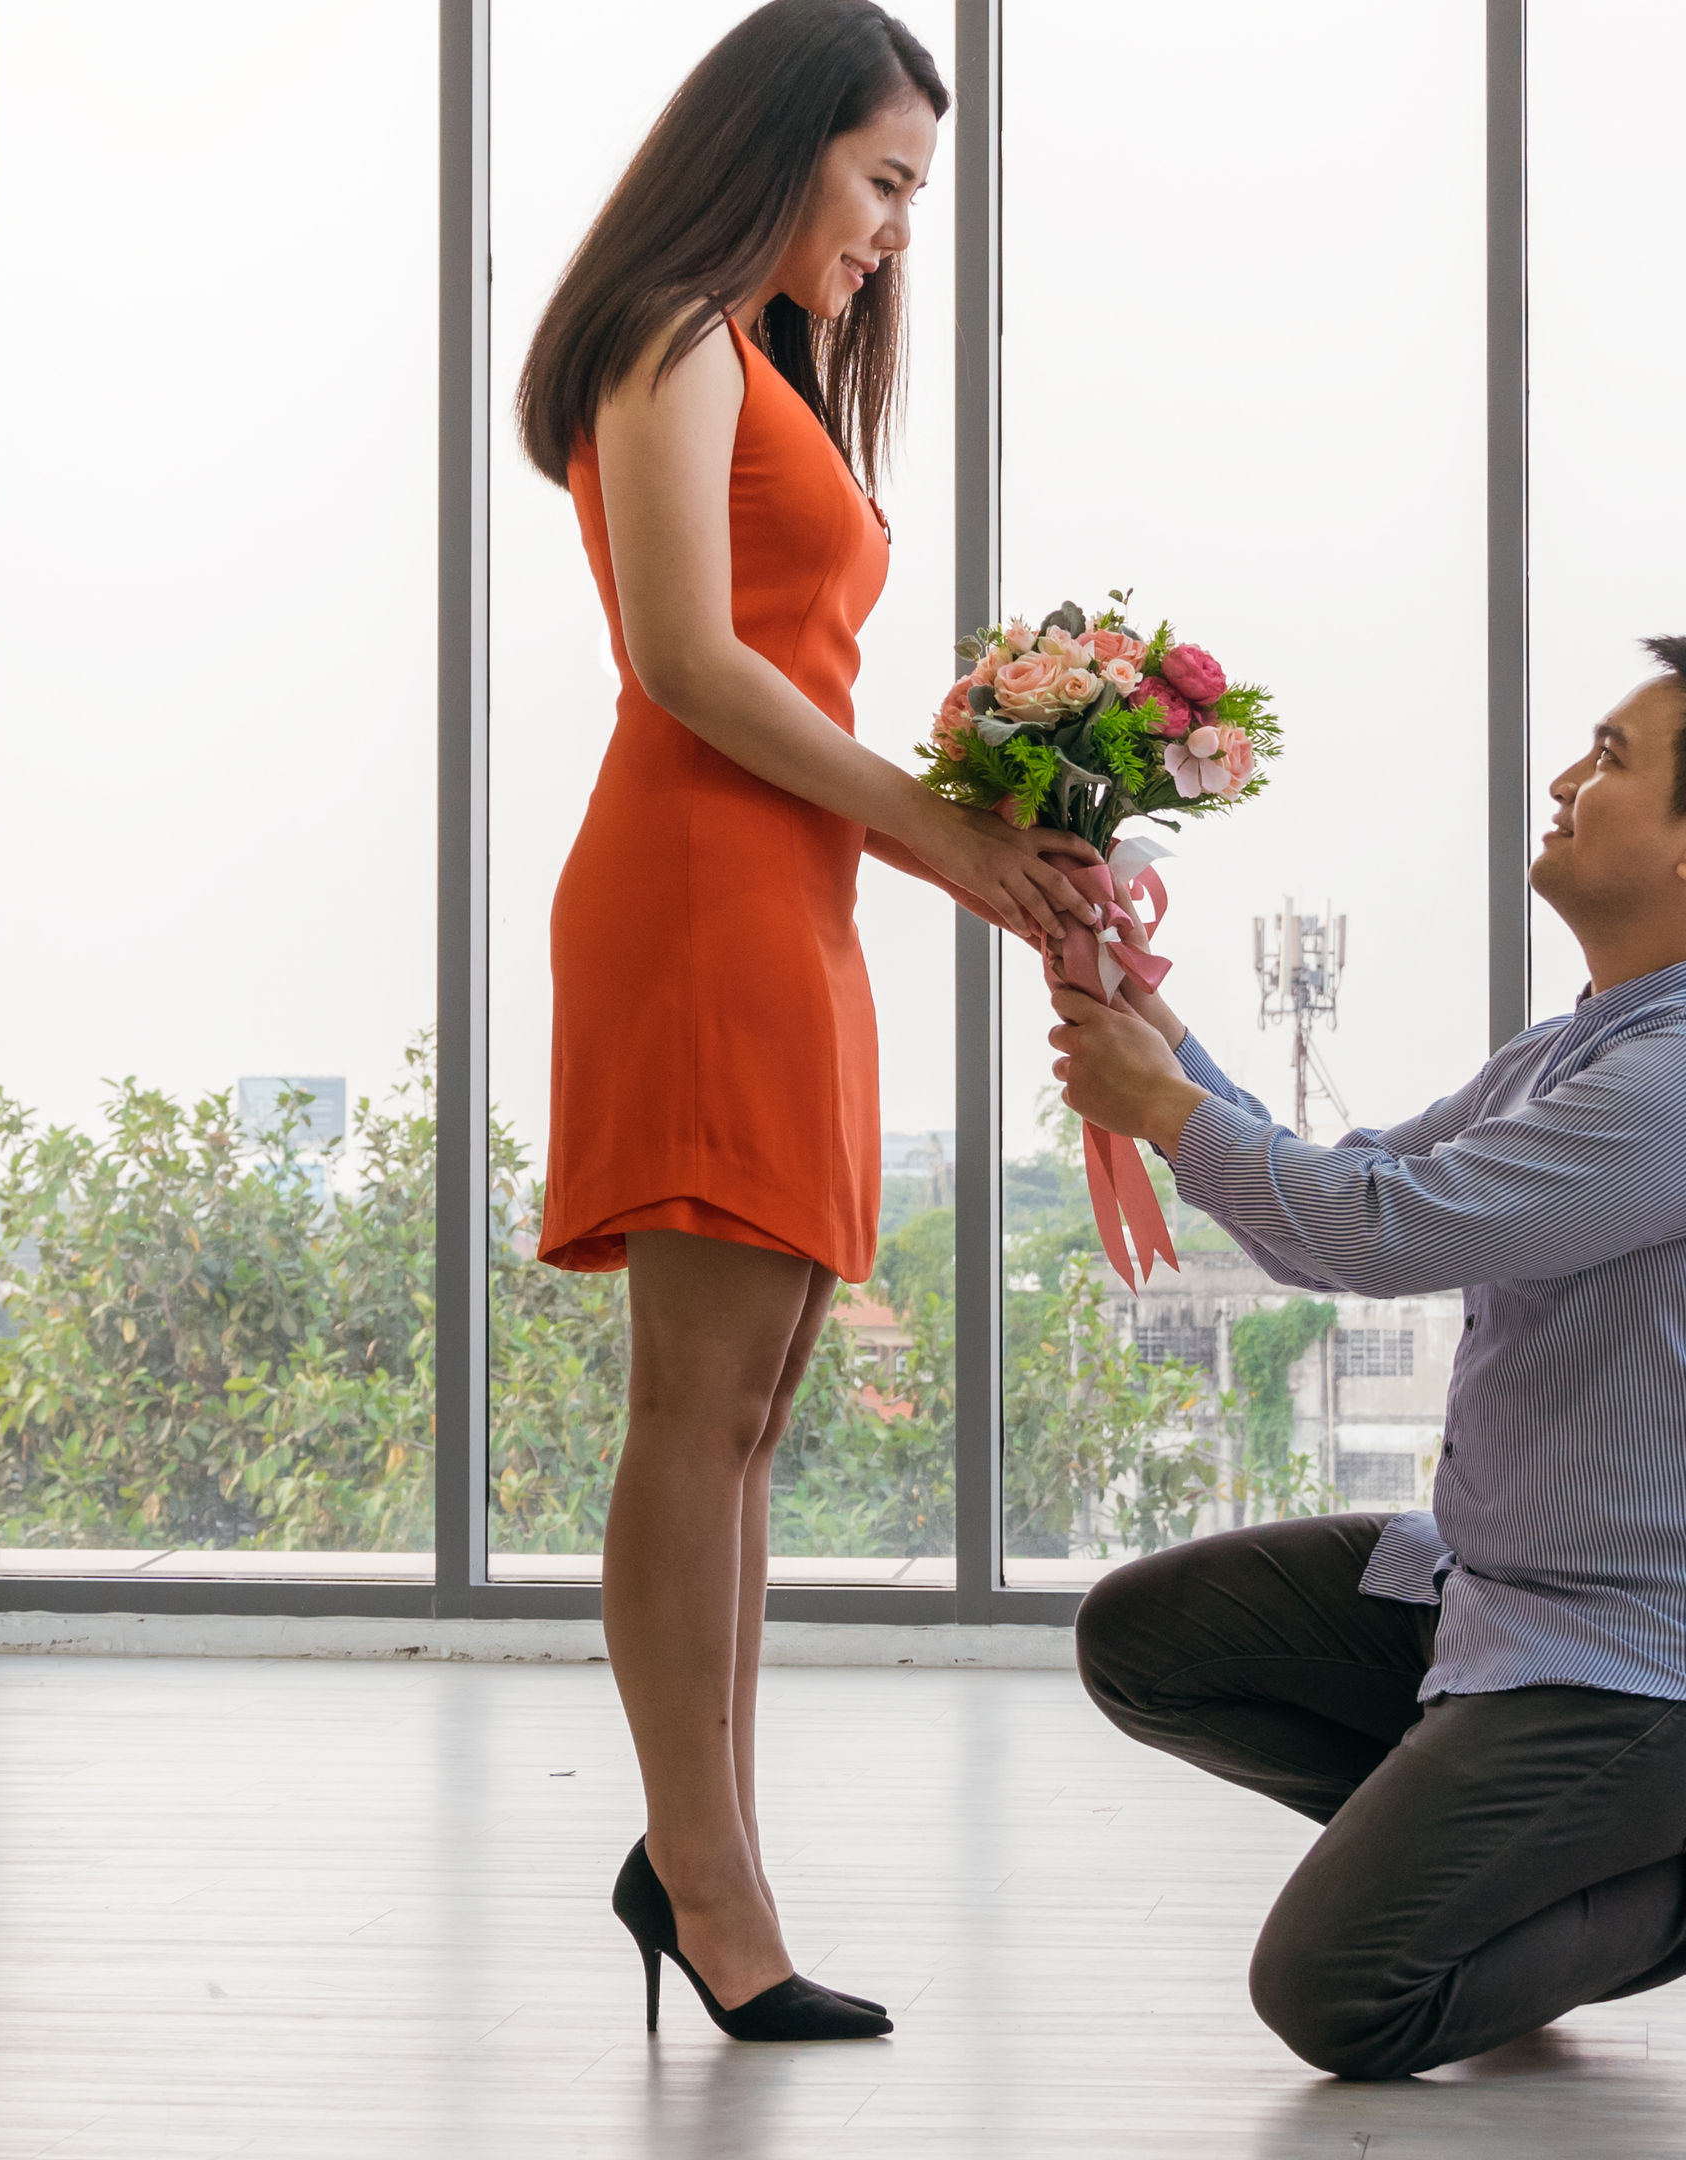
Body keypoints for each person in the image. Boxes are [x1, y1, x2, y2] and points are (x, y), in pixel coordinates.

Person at [1045, 635, 1686, 2080]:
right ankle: (1500, 1876)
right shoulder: (1587, 1045)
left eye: (1614, 759)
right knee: (1149, 1643)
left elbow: (1376, 1234)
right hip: (1500, 1598)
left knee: (1341, 1997)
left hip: (1661, 1668)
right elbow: (1353, 1173)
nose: (1570, 781)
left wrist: (1167, 1111)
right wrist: (1147, 1017)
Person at [514, 0, 1093, 2046]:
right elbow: (686, 660)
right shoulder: (668, 337)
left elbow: (781, 659)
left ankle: (705, 1859)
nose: (896, 233)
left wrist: (959, 823)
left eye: (913, 193)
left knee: (747, 1419)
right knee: (696, 1416)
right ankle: (712, 1886)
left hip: (786, 897)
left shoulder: (756, 365)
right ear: (777, 150)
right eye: (883, 180)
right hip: (698, 888)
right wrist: (948, 835)